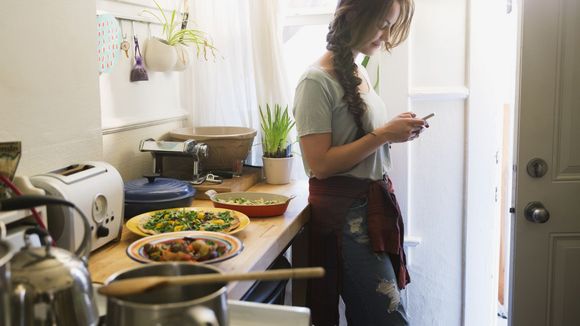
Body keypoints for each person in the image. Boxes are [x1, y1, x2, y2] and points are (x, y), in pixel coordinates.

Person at [292, 0, 424, 325]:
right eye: (382, 24)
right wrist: (383, 135)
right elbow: (319, 164)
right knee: (389, 319)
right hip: (348, 220)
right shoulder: (315, 81)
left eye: (391, 25)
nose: (386, 35)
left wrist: (392, 129)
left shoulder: (358, 69)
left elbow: (358, 137)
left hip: (369, 211)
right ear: (353, 15)